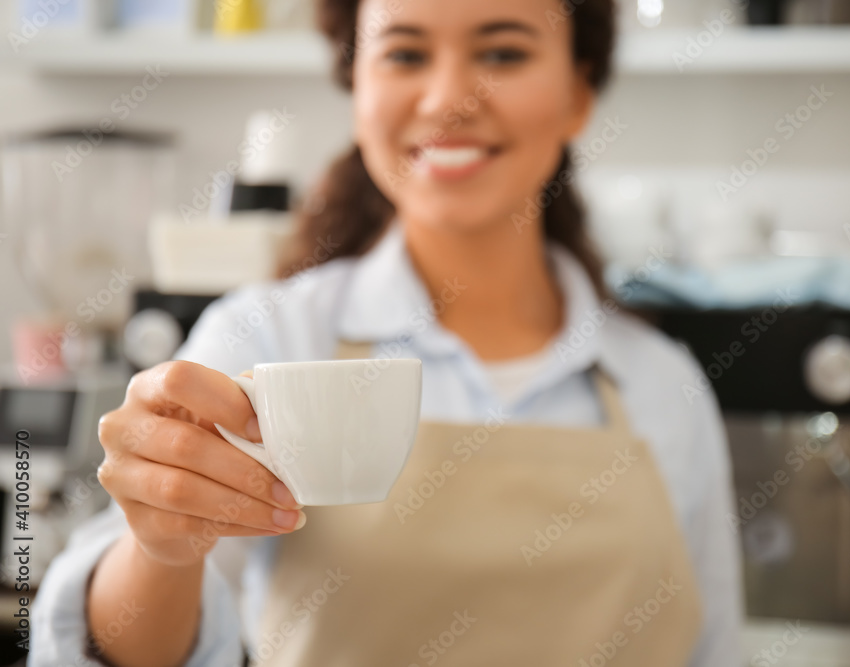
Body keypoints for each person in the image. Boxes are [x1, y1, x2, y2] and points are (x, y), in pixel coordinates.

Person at [29, 0, 743, 665]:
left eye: (502, 54)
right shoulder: (268, 338)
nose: (448, 101)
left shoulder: (662, 384)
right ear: (356, 85)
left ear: (579, 94)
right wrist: (162, 546)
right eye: (405, 55)